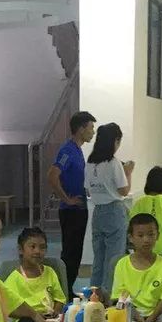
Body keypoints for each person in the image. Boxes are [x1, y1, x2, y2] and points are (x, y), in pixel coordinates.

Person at [49, 111, 97, 296]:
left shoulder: (78, 150)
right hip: (71, 211)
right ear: (81, 129)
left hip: (80, 209)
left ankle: (67, 290)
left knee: (76, 253)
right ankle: (63, 292)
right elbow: (52, 176)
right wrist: (66, 199)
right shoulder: (67, 150)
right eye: (91, 128)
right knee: (70, 254)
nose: (93, 132)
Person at [84, 123, 134, 291]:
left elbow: (88, 189)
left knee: (99, 258)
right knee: (114, 258)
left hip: (97, 212)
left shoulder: (90, 162)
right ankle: (108, 295)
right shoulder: (113, 163)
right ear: (115, 140)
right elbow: (123, 191)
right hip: (114, 211)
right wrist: (128, 172)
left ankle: (94, 294)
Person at [110, 214, 162, 322]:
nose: (146, 240)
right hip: (129, 311)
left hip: (158, 313)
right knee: (118, 321)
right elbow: (121, 296)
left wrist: (150, 319)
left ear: (157, 236)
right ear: (131, 238)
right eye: (140, 235)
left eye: (151, 235)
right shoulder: (122, 264)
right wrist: (138, 318)